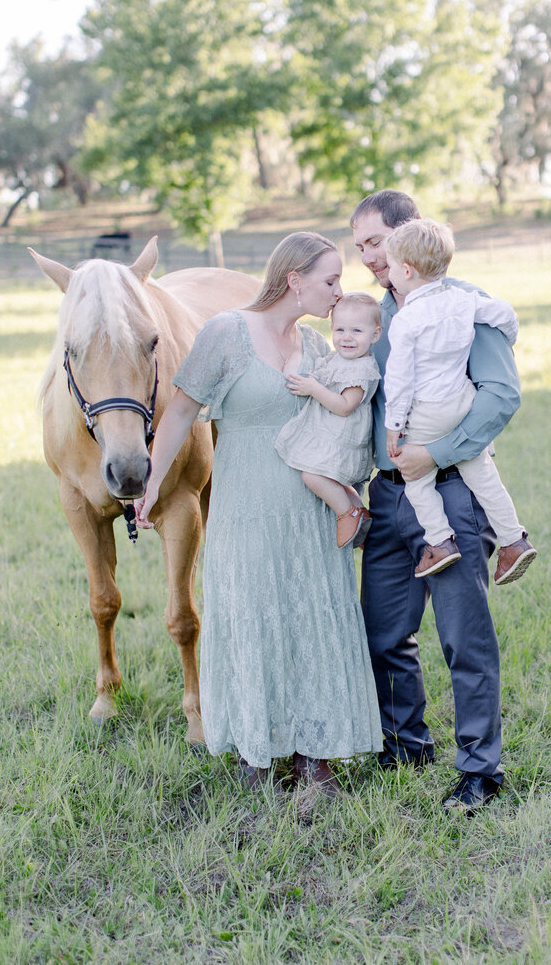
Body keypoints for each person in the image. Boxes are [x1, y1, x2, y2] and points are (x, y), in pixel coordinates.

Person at [135, 232, 383, 797]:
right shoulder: (227, 332)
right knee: (252, 614)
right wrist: (150, 483)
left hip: (308, 508)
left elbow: (350, 410)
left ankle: (315, 756)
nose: (339, 291)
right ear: (294, 280)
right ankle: (258, 752)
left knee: (310, 616)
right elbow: (179, 413)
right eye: (329, 280)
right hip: (245, 502)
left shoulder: (321, 346)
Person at [351, 189, 523, 816]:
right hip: (388, 495)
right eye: (361, 246)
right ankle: (405, 744)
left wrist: (438, 451)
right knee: (384, 634)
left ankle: (481, 770)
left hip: (449, 491)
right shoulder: (371, 316)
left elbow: (501, 396)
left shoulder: (465, 305)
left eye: (375, 243)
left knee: (463, 638)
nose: (367, 257)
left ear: (407, 236)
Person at [383, 217, 537, 583]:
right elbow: (505, 315)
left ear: (406, 270)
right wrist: (510, 339)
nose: (387, 273)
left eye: (389, 266)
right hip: (462, 401)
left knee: (414, 477)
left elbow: (400, 380)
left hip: (427, 411)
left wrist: (394, 425)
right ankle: (513, 540)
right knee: (483, 474)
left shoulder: (406, 319)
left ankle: (439, 542)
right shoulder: (464, 300)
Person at [275, 292, 382, 550]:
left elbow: (345, 406)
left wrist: (314, 389)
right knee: (334, 480)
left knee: (313, 475)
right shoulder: (341, 358)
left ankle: (348, 513)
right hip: (331, 434)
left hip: (343, 438)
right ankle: (359, 510)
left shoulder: (362, 369)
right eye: (340, 329)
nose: (347, 337)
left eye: (357, 331)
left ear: (375, 335)